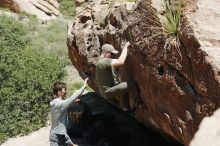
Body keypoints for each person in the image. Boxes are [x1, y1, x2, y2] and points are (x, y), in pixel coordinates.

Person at [95, 42, 140, 112]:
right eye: (111, 54)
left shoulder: (99, 62)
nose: (112, 56)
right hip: (109, 91)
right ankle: (138, 104)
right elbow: (121, 62)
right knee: (130, 84)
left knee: (122, 86)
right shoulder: (104, 61)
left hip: (106, 91)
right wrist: (125, 48)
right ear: (105, 52)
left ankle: (126, 108)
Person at [49, 78, 88, 146]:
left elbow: (68, 103)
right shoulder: (59, 104)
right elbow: (71, 99)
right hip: (56, 136)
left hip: (62, 134)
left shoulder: (57, 103)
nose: (66, 91)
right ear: (59, 92)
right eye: (64, 90)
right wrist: (83, 87)